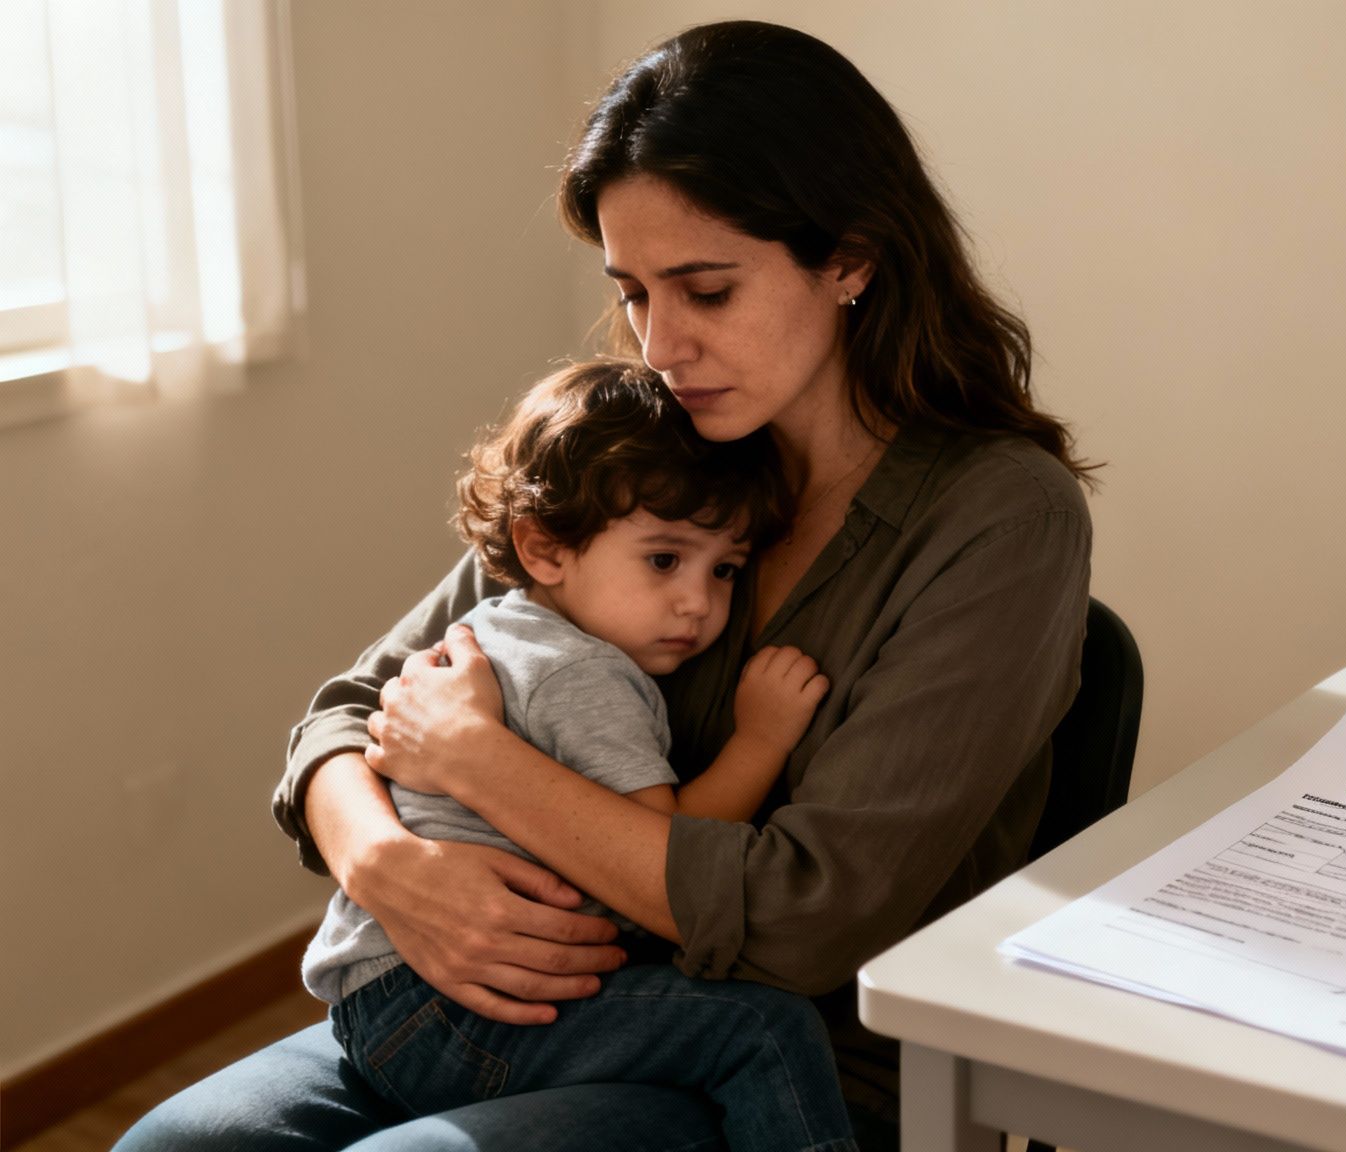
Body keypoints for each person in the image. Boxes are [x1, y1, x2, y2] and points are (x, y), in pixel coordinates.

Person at [118, 19, 1092, 1151]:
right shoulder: (650, 451)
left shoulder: (1001, 519)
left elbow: (798, 922)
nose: (661, 345)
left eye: (706, 291)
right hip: (495, 994)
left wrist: (479, 762)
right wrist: (390, 866)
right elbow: (351, 712)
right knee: (171, 1147)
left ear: (851, 260)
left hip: (795, 1062)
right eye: (633, 292)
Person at [301, 358, 855, 1152]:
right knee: (764, 1030)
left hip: (378, 999)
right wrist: (761, 740)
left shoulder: (500, 626)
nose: (698, 602)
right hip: (454, 1006)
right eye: (664, 560)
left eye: (725, 569)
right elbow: (667, 852)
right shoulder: (579, 673)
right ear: (546, 548)